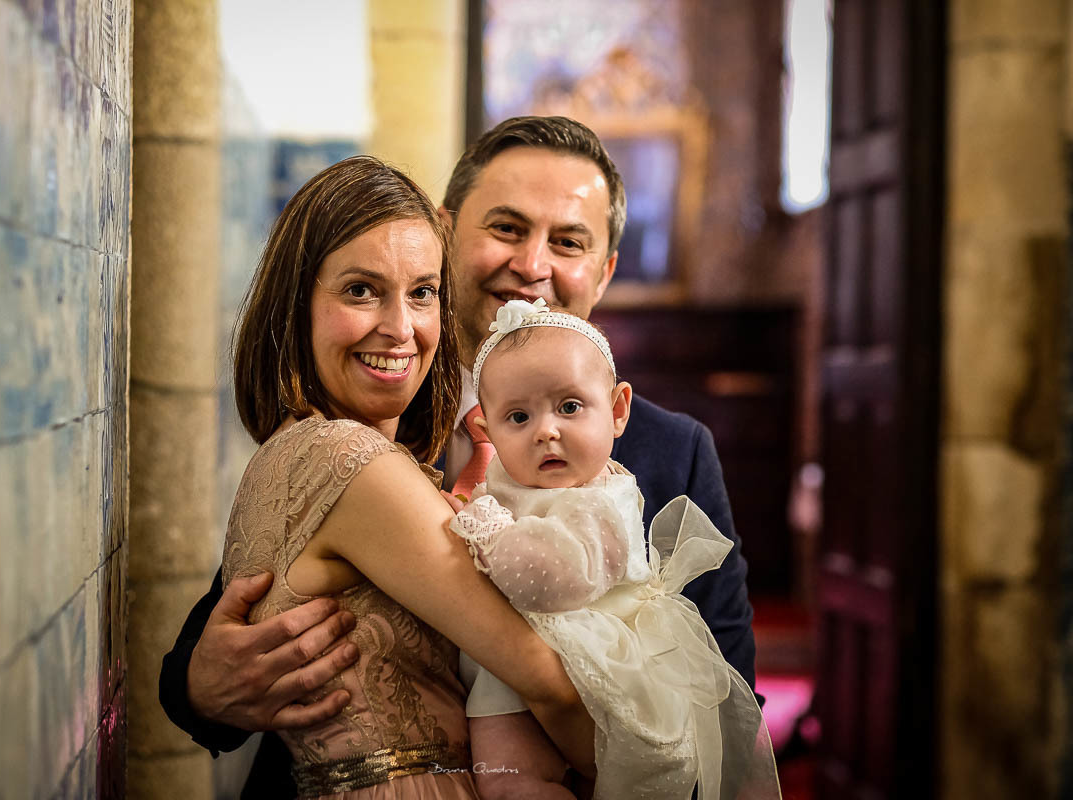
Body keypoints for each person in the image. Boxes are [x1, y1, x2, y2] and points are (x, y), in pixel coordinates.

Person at [160, 116, 756, 796]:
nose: (532, 265)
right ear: (445, 233)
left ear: (604, 271)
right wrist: (200, 687)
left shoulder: (674, 451)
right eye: (507, 227)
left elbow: (725, 690)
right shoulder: (369, 415)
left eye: (568, 242)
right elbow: (242, 611)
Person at [203, 154, 596, 798]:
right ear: (297, 304)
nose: (400, 328)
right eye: (360, 290)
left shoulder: (318, 450)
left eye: (421, 293)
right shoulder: (343, 458)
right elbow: (548, 681)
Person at [448, 298, 778, 800]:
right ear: (486, 429)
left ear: (618, 410)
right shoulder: (508, 480)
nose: (546, 430)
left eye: (569, 407)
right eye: (518, 416)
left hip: (593, 670)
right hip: (501, 679)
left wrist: (487, 530)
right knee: (505, 782)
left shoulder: (602, 501)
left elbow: (559, 579)